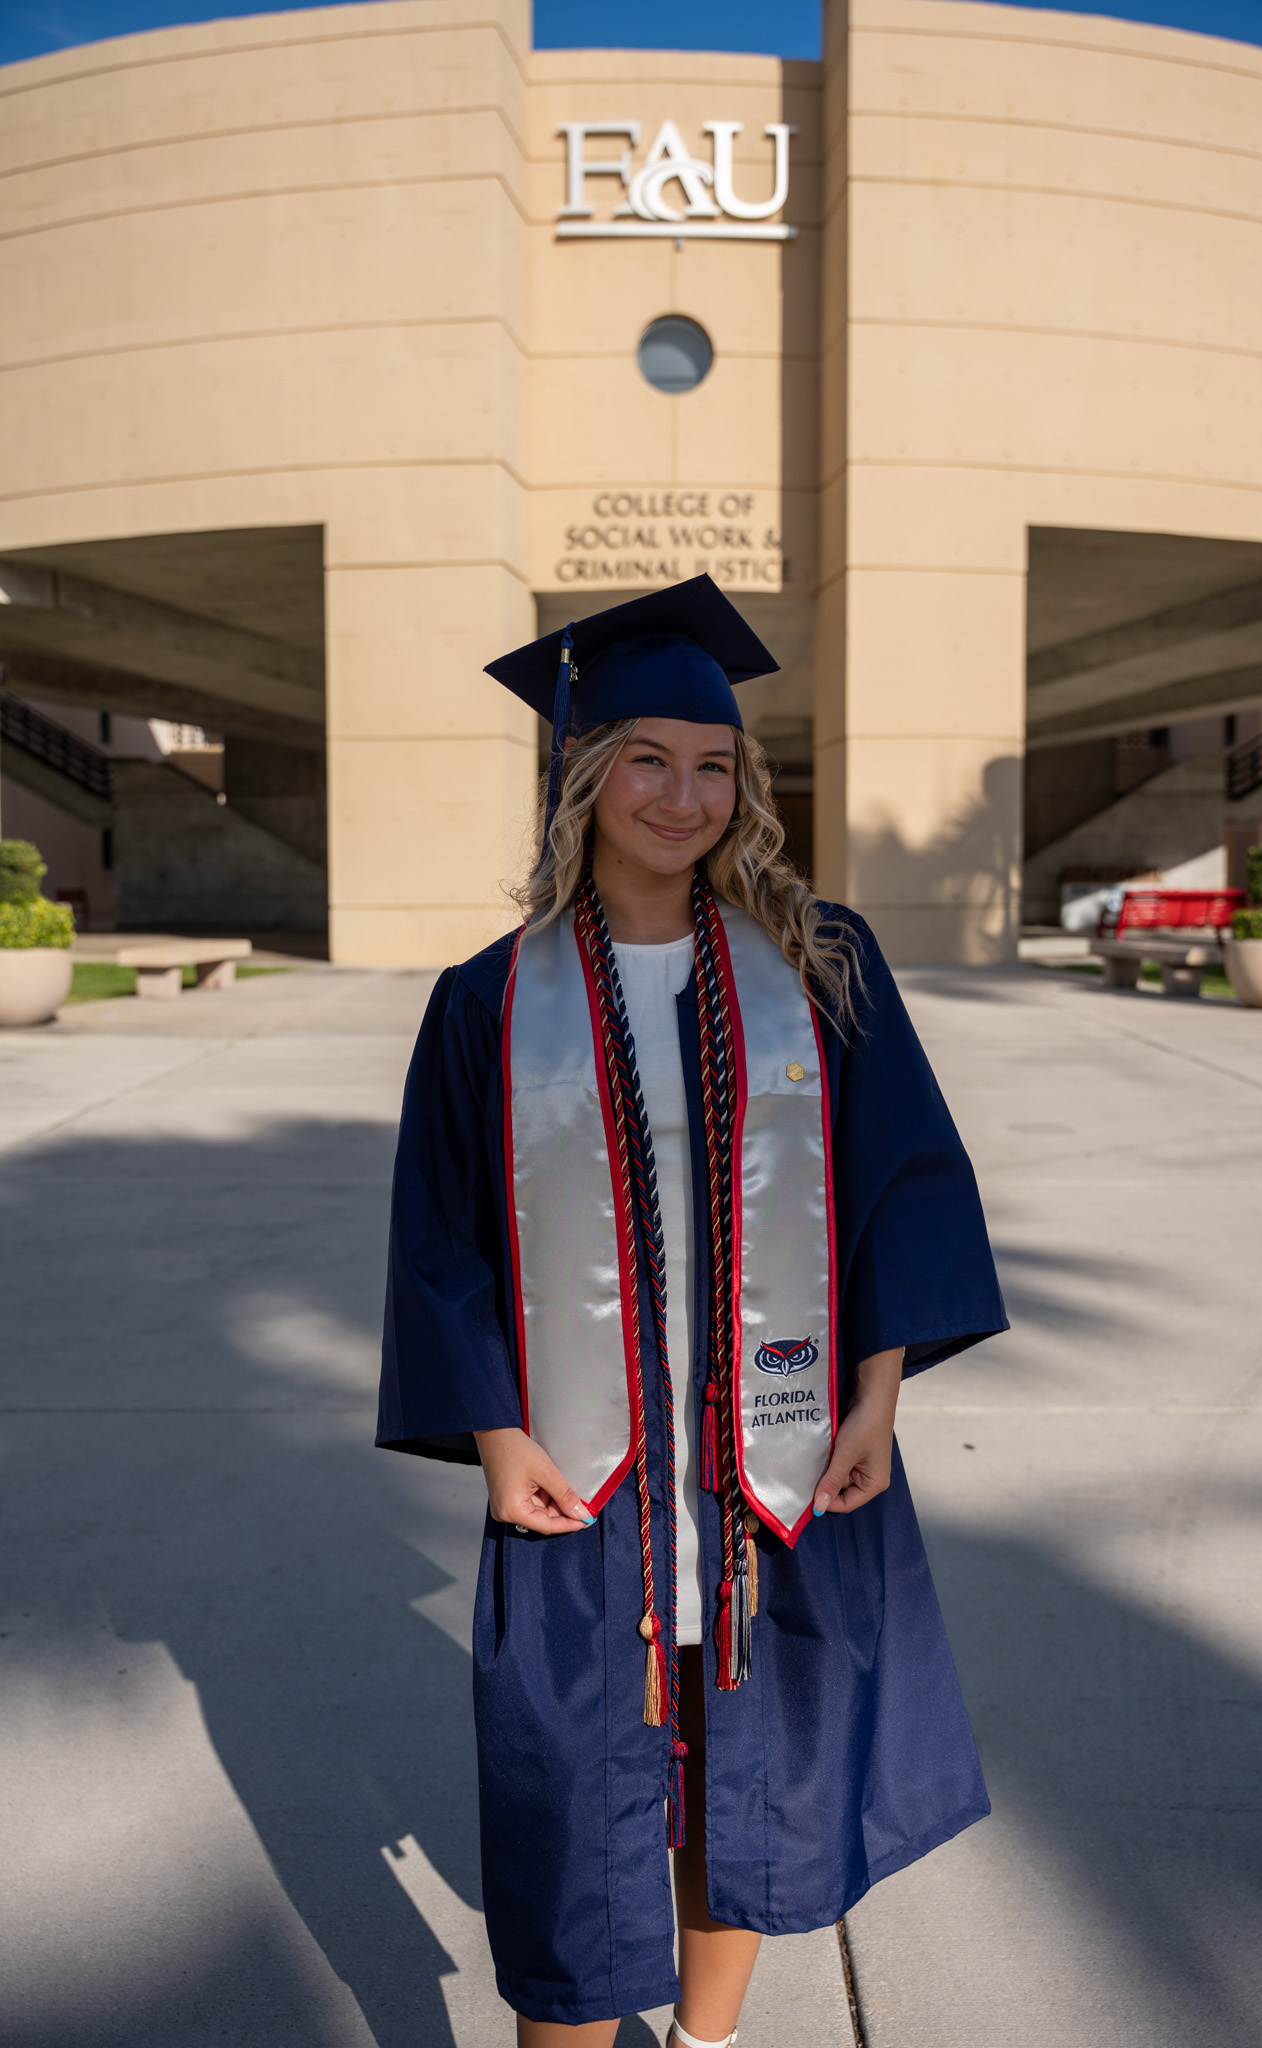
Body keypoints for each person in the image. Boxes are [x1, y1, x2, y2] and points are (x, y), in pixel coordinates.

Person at [377, 576, 1007, 2048]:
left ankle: (709, 2044)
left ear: (747, 784)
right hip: (582, 1466)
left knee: (752, 1769)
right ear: (585, 779)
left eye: (712, 764)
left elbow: (901, 1185)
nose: (683, 794)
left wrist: (878, 1392)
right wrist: (492, 1432)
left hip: (770, 1456)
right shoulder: (489, 999)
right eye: (646, 761)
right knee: (570, 1788)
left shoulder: (820, 964)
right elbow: (442, 1238)